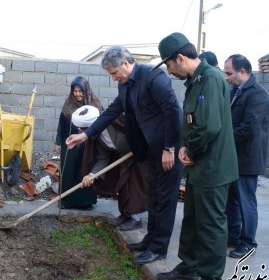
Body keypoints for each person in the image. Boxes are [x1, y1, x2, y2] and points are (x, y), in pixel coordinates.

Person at [66, 46, 183, 265]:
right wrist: (86, 135)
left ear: (126, 64)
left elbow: (173, 113)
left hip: (166, 150)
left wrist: (170, 149)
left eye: (114, 73)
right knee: (154, 197)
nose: (113, 78)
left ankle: (159, 248)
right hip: (148, 151)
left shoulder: (153, 78)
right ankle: (150, 240)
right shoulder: (125, 86)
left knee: (165, 200)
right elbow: (111, 112)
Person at [153, 32, 238, 280]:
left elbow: (209, 126)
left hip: (212, 167)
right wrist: (184, 148)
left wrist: (190, 150)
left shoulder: (210, 78)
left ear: (180, 58)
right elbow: (193, 122)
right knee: (191, 219)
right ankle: (189, 267)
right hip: (198, 166)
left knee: (211, 225)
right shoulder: (196, 80)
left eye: (169, 65)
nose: (169, 71)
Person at [223, 54, 269, 258]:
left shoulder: (257, 94)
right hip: (235, 157)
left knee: (245, 202)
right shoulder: (236, 91)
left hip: (248, 158)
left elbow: (250, 128)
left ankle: (248, 242)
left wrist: (223, 139)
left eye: (229, 73)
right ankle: (233, 236)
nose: (226, 77)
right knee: (231, 201)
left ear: (243, 72)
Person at [72, 106, 148, 231]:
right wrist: (92, 175)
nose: (82, 133)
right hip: (125, 156)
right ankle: (125, 214)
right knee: (122, 185)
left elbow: (142, 129)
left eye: (84, 130)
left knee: (136, 186)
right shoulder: (97, 138)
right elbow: (102, 158)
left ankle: (136, 218)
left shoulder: (118, 122)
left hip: (140, 154)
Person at [55, 76, 102, 209]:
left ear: (85, 90)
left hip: (88, 145)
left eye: (80, 91)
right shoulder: (68, 105)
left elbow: (102, 123)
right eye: (75, 91)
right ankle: (66, 201)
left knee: (84, 170)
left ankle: (85, 202)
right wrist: (58, 142)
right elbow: (61, 125)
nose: (77, 94)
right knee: (68, 171)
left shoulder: (95, 105)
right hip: (69, 144)